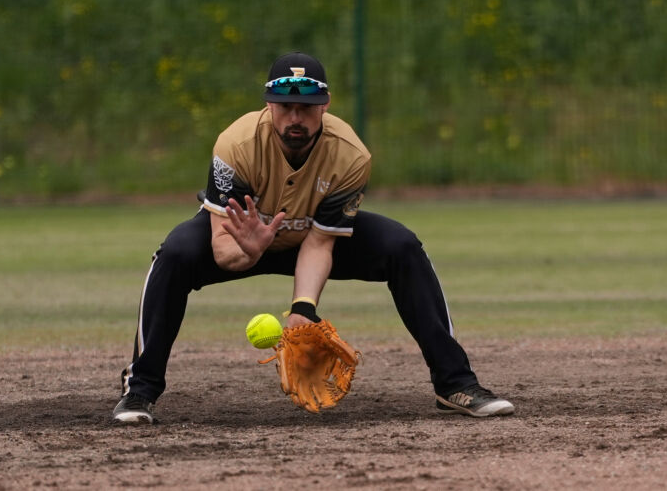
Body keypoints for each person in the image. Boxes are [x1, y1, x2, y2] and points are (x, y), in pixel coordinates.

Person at [113, 52, 514, 423]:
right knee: (175, 254)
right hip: (244, 239)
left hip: (312, 237)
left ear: (325, 105)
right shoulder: (235, 146)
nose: (295, 118)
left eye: (306, 107)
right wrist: (250, 252)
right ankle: (140, 391)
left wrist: (302, 311)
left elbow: (321, 242)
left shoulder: (350, 156)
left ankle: (455, 384)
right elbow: (221, 243)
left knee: (402, 247)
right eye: (285, 106)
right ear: (268, 105)